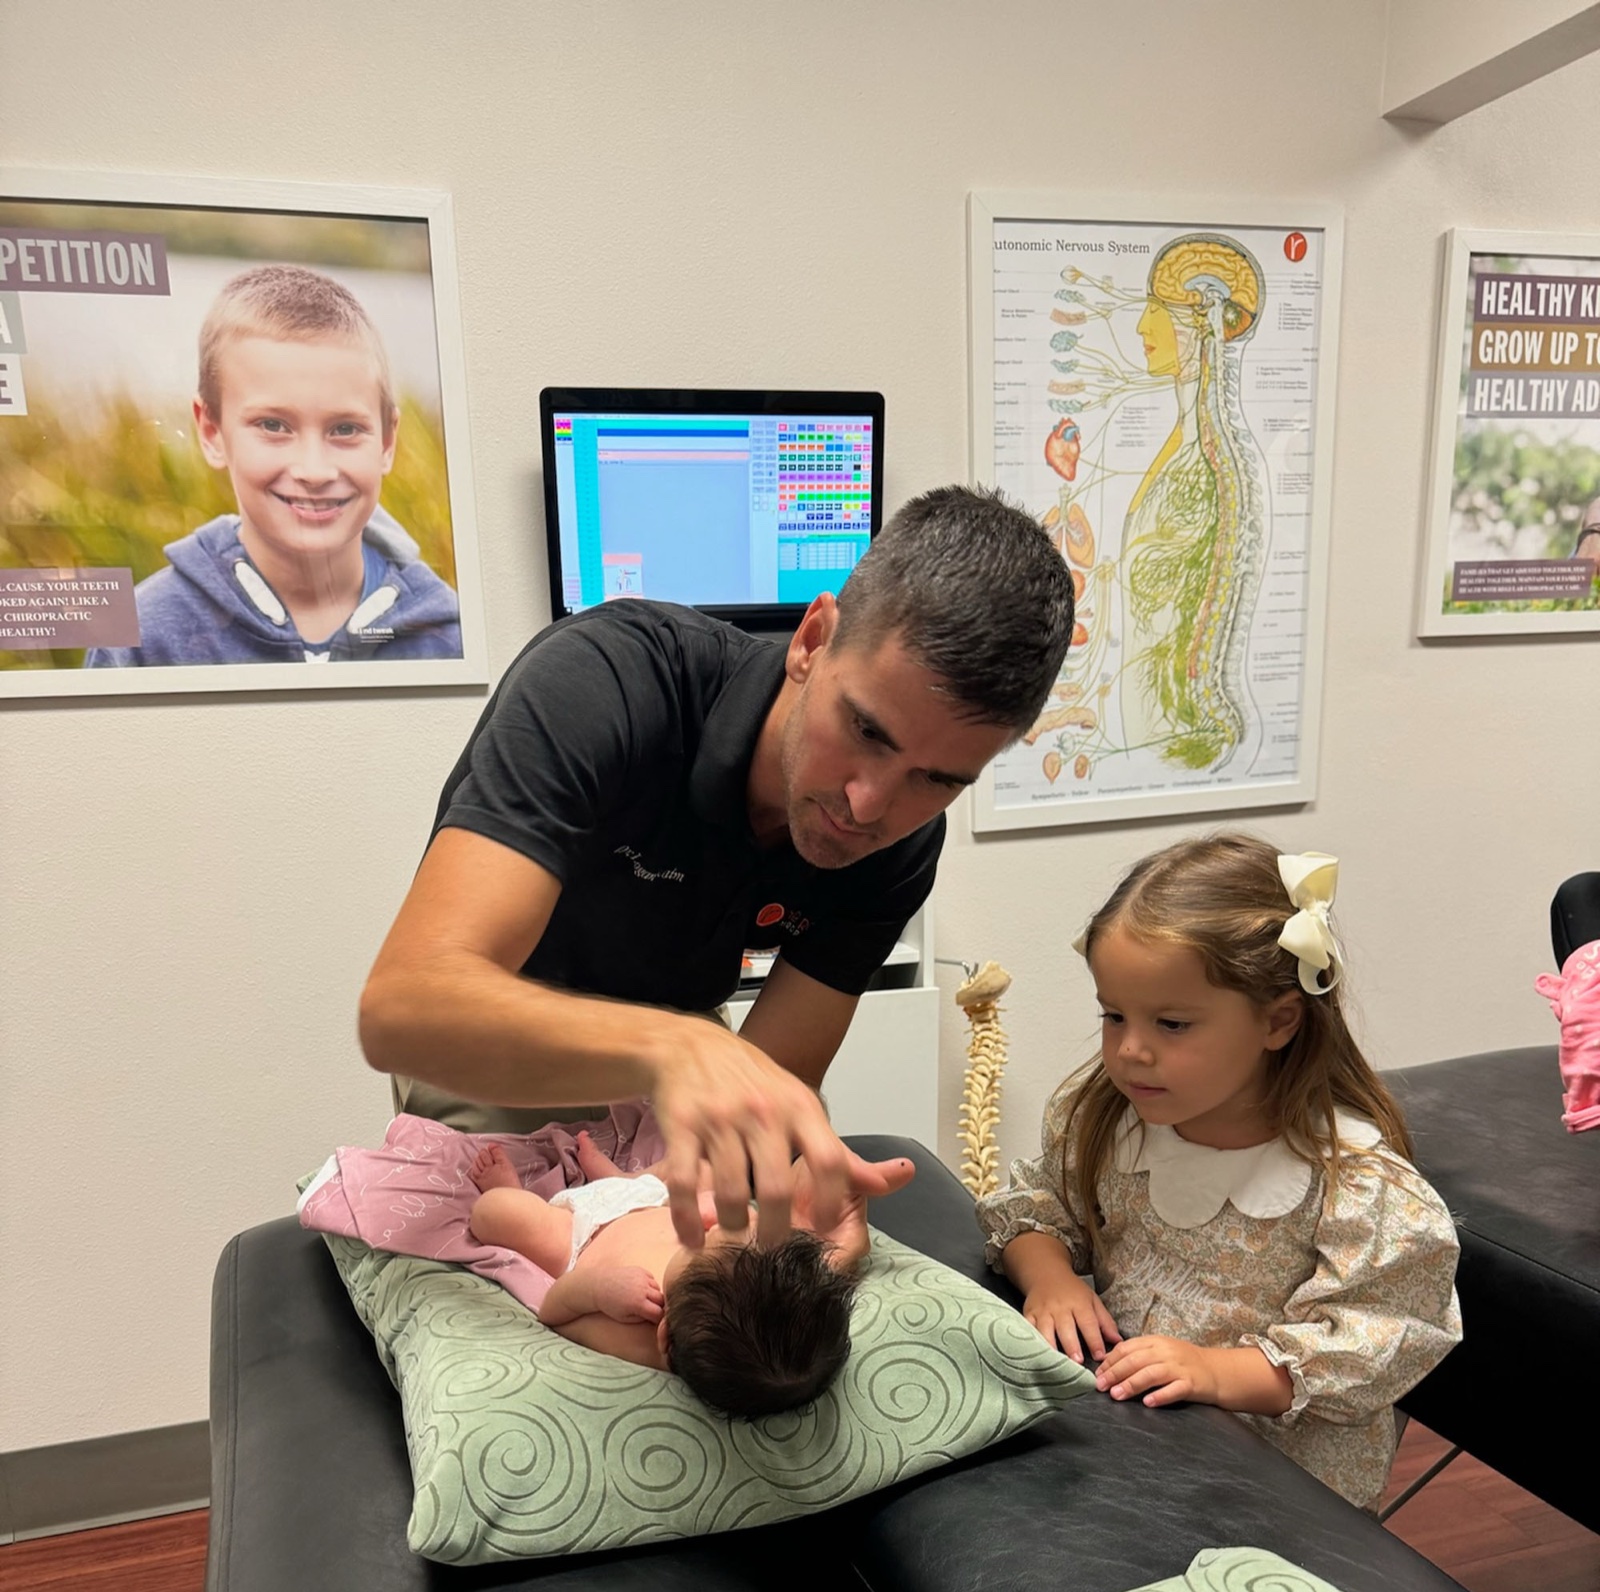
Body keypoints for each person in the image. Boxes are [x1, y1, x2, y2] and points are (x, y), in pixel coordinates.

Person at [360, 485, 1077, 1252]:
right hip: (500, 1028)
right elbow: (404, 1010)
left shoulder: (899, 845)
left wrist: (796, 1207)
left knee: (726, 1271)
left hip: (690, 1050)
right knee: (524, 1264)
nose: (871, 805)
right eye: (866, 729)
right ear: (812, 639)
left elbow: (777, 1074)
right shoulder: (604, 683)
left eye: (937, 780)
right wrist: (676, 1048)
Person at [975, 833, 1461, 1510]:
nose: (1129, 1050)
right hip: (1137, 1449)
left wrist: (1215, 1370)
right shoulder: (1108, 1123)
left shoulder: (1357, 1187)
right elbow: (1037, 1205)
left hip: (1278, 1496)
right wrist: (1050, 1277)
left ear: (1279, 1021)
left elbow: (1374, 1344)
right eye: (1113, 1015)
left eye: (1171, 1023)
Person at [86, 264, 461, 668]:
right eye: (273, 425)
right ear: (212, 432)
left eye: (345, 429)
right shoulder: (142, 640)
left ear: (387, 440)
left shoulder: (450, 638)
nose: (314, 471)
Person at [466, 1131, 882, 1415]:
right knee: (704, 1169)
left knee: (494, 1216)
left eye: (707, 1244)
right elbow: (794, 1293)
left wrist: (596, 1290)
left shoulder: (643, 1332)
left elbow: (554, 1311)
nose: (718, 1229)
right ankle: (617, 1178)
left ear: (665, 1332)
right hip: (652, 1200)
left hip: (583, 1230)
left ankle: (514, 1189)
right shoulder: (754, 1295)